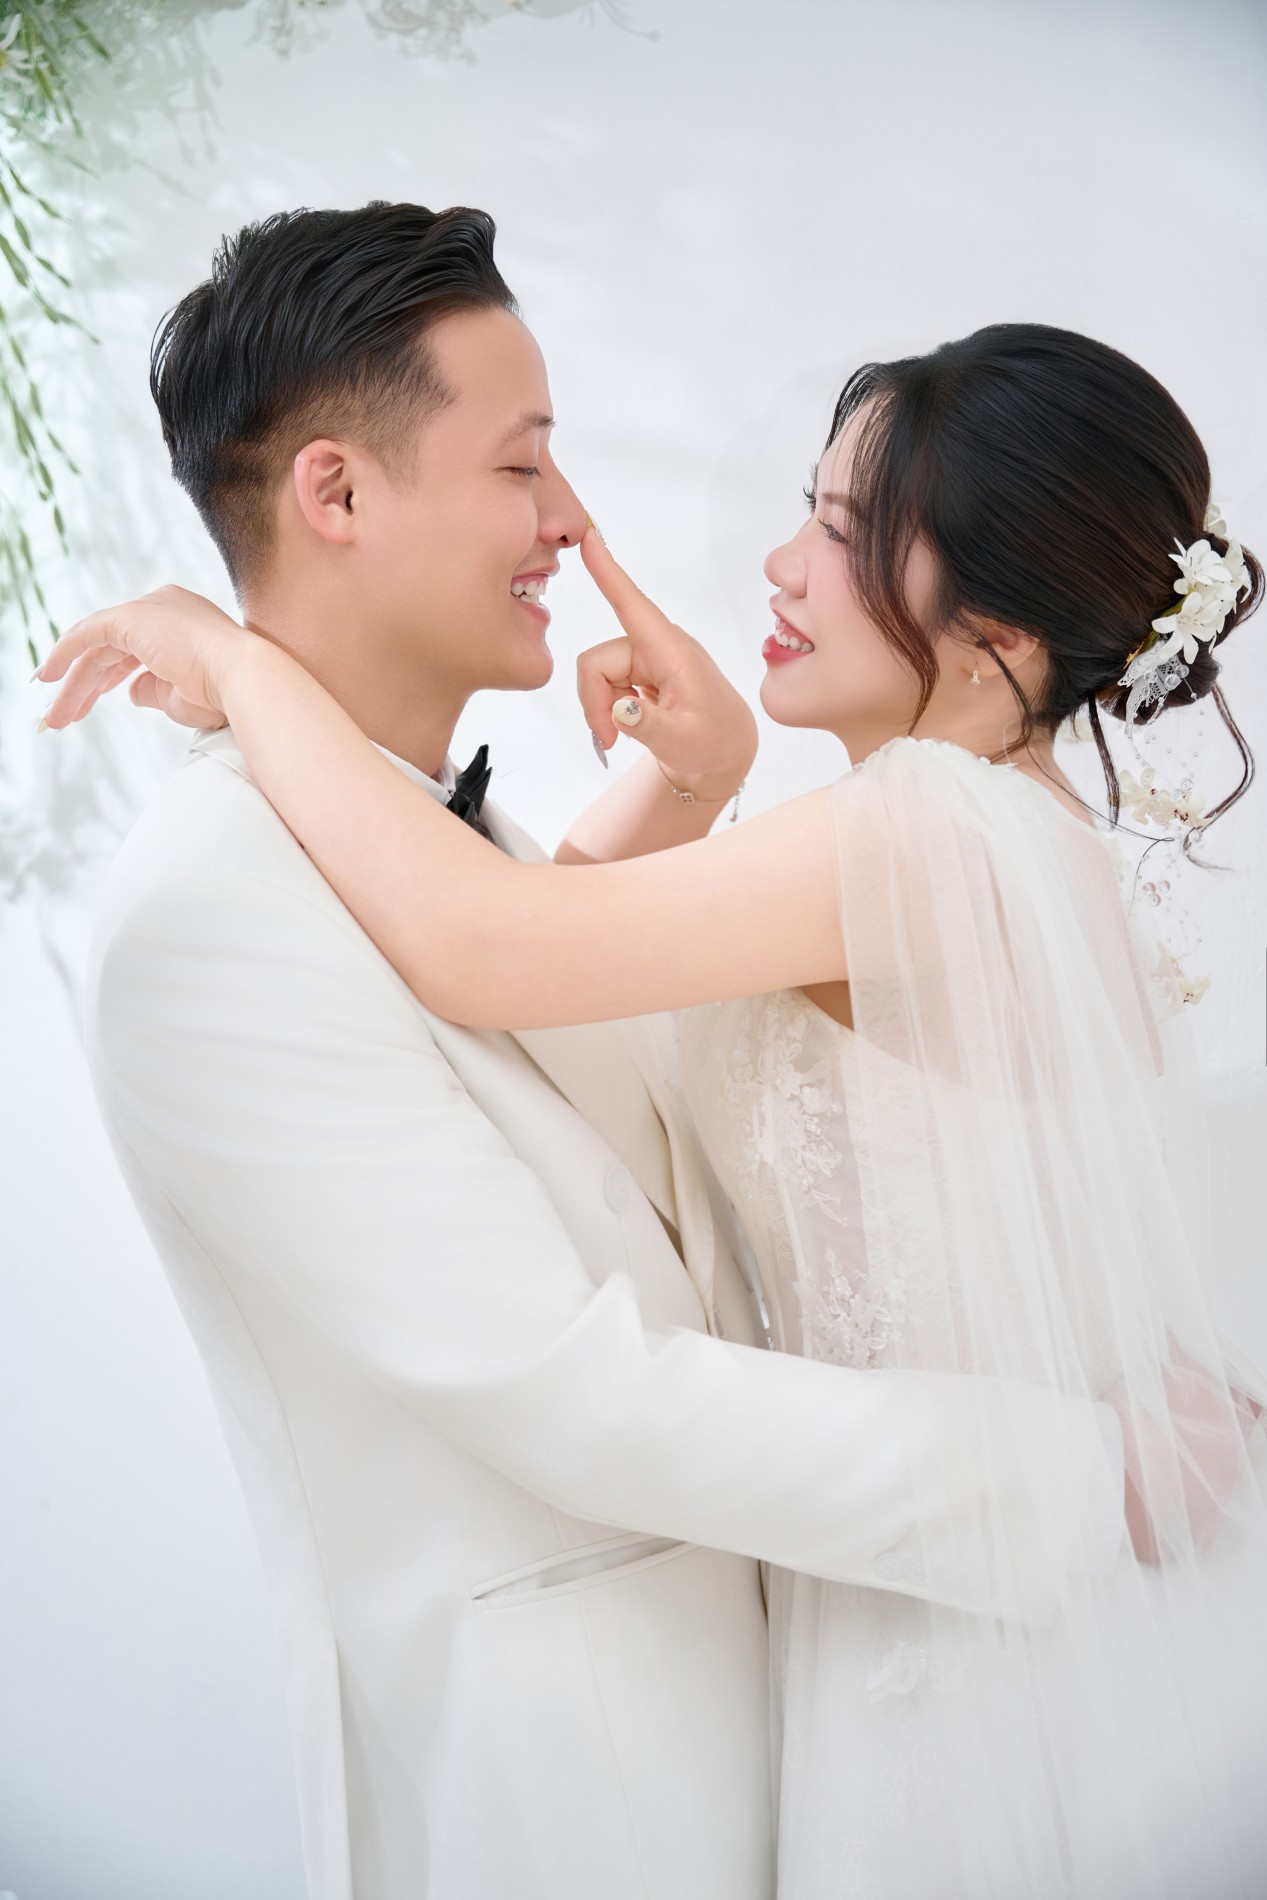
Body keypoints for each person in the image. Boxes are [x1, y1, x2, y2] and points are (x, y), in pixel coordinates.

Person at [37, 209, 1130, 1900]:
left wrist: (664, 782)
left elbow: (520, 987)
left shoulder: (450, 863)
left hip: (836, 1698)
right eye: (522, 464)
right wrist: (1079, 1481)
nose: (570, 520)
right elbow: (573, 1383)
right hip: (578, 1797)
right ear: (336, 495)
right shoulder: (213, 913)